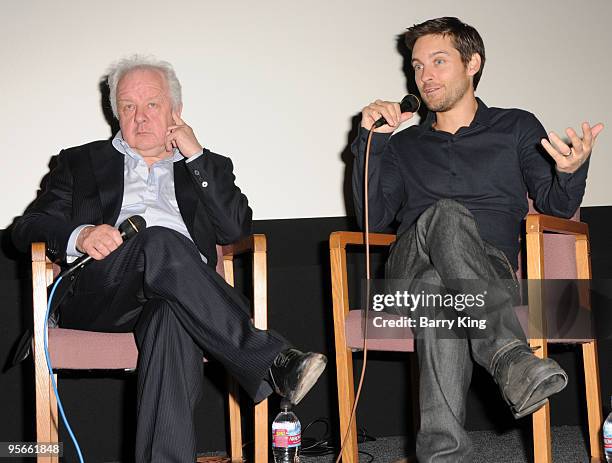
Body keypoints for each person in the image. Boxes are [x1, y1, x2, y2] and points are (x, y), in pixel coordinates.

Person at [12, 55, 326, 463]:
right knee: (158, 237)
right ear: (115, 113)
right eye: (128, 107)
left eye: (152, 105)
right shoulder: (80, 161)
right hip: (103, 292)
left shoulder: (207, 166)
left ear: (175, 111)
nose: (140, 117)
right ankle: (270, 359)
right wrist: (82, 234)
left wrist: (195, 156)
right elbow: (26, 227)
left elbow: (236, 232)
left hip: (184, 300)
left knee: (170, 320)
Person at [352, 17, 603, 462]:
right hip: (405, 274)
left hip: (490, 274)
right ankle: (509, 358)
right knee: (444, 217)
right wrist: (369, 142)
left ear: (473, 64)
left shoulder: (516, 127)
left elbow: (557, 207)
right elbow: (372, 220)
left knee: (439, 291)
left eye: (439, 61)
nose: (425, 75)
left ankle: (444, 456)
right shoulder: (404, 145)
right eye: (417, 65)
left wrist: (568, 171)